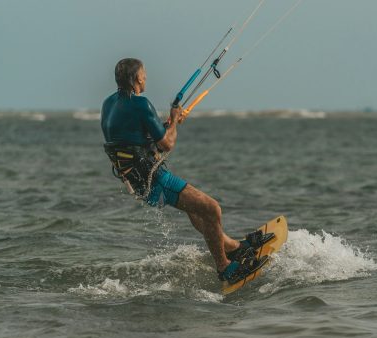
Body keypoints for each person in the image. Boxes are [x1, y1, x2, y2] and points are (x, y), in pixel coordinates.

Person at [101, 58, 268, 283]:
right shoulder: (141, 104)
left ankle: (234, 248)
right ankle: (225, 268)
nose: (146, 76)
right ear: (137, 78)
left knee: (196, 209)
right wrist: (175, 122)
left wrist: (170, 122)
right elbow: (166, 144)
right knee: (212, 209)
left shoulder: (108, 104)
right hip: (154, 179)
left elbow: (132, 135)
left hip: (137, 181)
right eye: (144, 73)